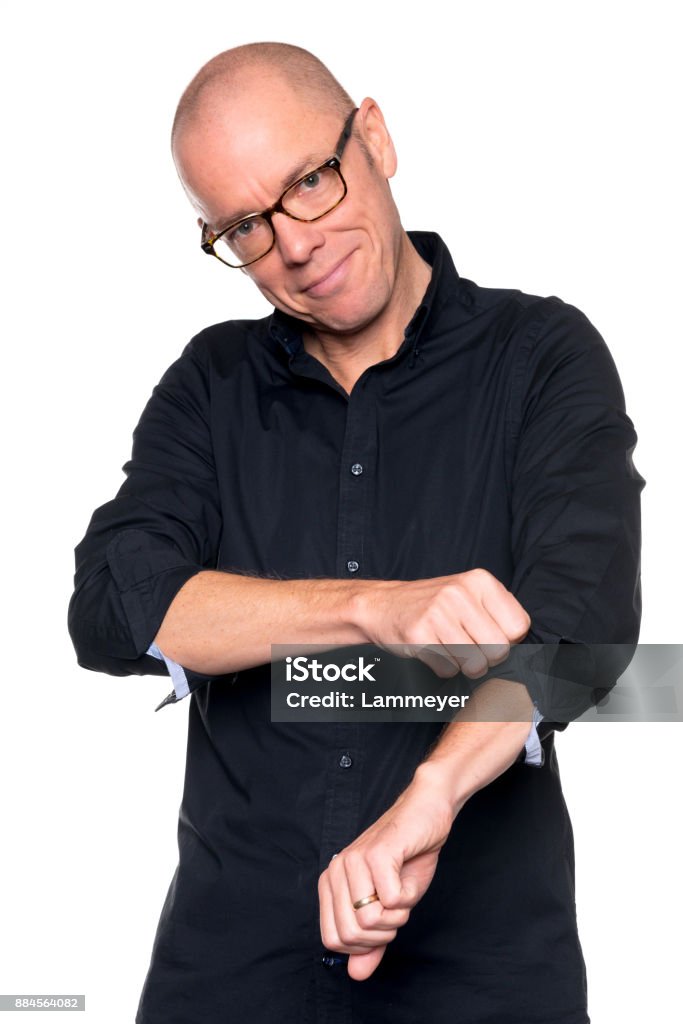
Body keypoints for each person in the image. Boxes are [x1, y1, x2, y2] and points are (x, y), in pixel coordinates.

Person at [68, 42, 644, 1024]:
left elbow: (578, 633)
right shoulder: (209, 385)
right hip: (229, 977)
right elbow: (119, 604)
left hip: (485, 976)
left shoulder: (541, 358)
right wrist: (369, 607)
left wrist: (429, 797)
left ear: (371, 138)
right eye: (243, 226)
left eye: (308, 181)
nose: (292, 242)